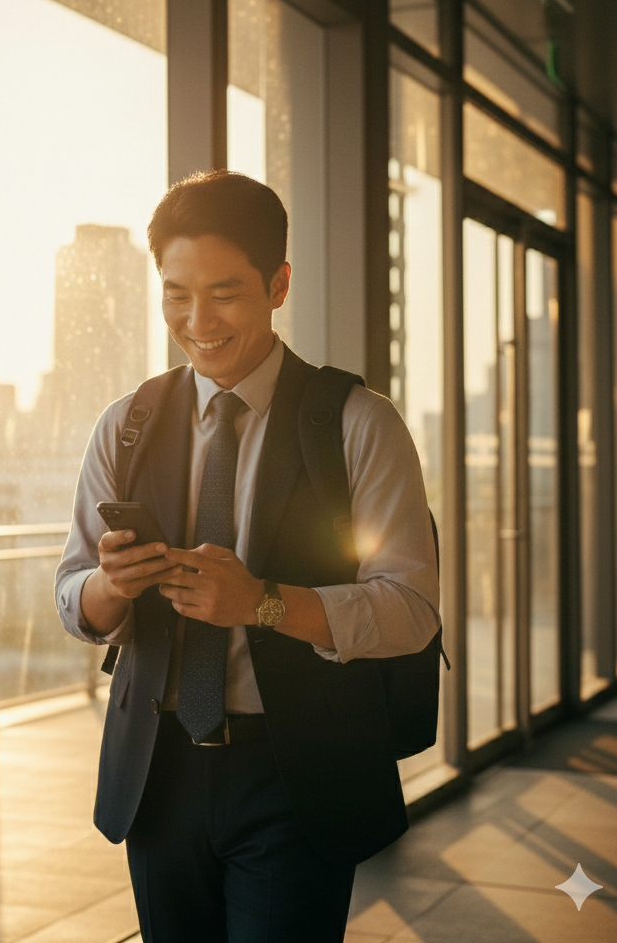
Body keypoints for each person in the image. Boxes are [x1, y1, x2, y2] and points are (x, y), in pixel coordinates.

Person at [55, 171, 440, 942]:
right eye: (176, 294)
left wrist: (264, 602)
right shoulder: (125, 424)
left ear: (279, 284)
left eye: (225, 293)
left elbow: (412, 611)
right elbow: (73, 596)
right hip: (157, 773)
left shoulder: (359, 424)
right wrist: (110, 586)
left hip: (292, 775)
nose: (198, 321)